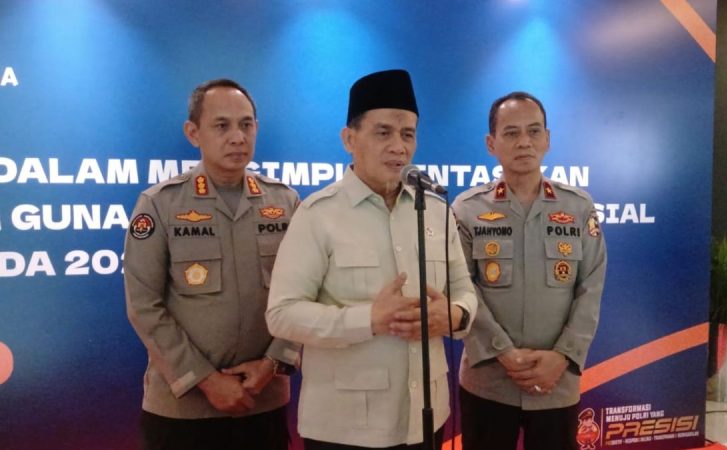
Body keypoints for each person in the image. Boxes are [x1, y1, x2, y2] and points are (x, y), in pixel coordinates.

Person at [266, 69, 478, 450]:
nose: (399, 146)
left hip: (427, 418)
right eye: (383, 133)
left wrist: (456, 314)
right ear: (349, 139)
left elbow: (464, 291)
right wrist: (370, 319)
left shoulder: (435, 211)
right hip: (344, 429)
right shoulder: (318, 214)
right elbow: (282, 314)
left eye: (408, 134)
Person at [124, 79, 300, 450]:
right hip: (183, 411)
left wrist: (272, 364)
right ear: (193, 133)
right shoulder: (160, 204)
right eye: (222, 126)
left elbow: (305, 294)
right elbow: (144, 306)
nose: (238, 137)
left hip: (262, 402)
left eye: (246, 125)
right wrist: (205, 380)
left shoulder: (285, 202)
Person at [452, 92, 607, 450]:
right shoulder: (467, 209)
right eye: (511, 133)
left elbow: (591, 286)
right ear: (491, 144)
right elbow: (461, 287)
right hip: (488, 381)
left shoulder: (578, 207)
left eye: (534, 131)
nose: (524, 142)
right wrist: (504, 353)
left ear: (547, 139)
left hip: (557, 382)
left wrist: (563, 356)